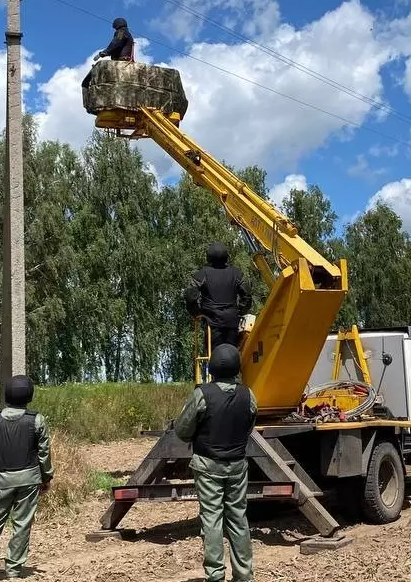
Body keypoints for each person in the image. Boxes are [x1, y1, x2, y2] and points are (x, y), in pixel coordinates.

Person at [174, 344, 258, 582]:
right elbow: (249, 425)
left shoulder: (202, 394)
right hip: (238, 465)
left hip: (208, 465)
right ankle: (244, 575)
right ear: (237, 368)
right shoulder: (248, 394)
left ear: (212, 368)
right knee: (239, 518)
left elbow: (182, 430)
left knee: (212, 520)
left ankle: (215, 575)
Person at [0, 375, 53, 582]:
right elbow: (44, 454)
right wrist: (46, 478)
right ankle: (14, 570)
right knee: (22, 525)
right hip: (29, 479)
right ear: (29, 395)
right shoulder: (36, 420)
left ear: (7, 394)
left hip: (1, 480)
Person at [184, 241, 252, 351]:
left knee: (214, 357)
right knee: (233, 356)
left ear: (208, 257)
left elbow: (190, 296)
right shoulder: (237, 274)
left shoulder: (201, 274)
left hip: (212, 323)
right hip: (232, 324)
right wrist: (240, 311)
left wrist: (197, 313)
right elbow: (247, 295)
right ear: (226, 256)